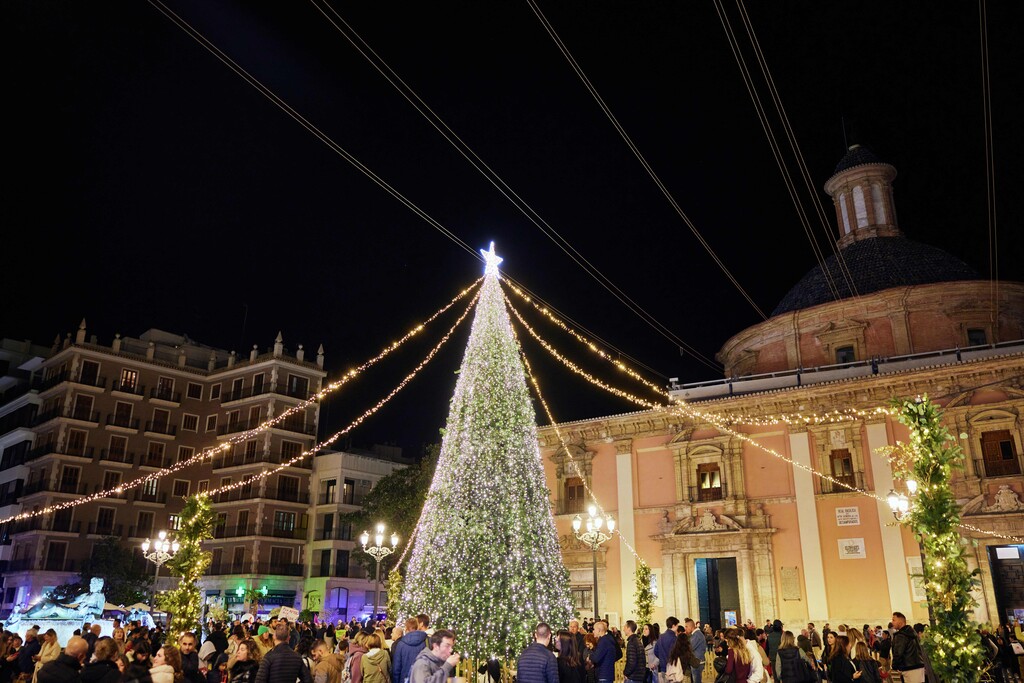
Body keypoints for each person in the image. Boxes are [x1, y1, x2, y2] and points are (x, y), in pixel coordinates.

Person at [24, 578, 106, 622]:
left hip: (77, 615)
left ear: (99, 586)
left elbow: (99, 611)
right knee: (45, 600)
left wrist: (89, 609)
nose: (90, 585)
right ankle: (27, 614)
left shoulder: (100, 596)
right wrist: (54, 600)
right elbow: (69, 601)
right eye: (91, 583)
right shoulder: (86, 595)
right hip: (72, 611)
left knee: (55, 608)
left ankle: (31, 617)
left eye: (93, 584)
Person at [889, 613, 924, 683]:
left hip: (909, 668)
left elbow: (898, 653)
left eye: (894, 620)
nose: (892, 622)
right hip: (918, 666)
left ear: (900, 621)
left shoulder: (901, 636)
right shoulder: (912, 633)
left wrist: (895, 666)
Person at [391, 618, 427, 683]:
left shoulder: (401, 644)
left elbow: (396, 668)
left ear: (406, 628)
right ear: (417, 627)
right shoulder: (425, 642)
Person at [654, 619, 680, 683]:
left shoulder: (661, 636)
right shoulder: (674, 638)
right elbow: (675, 653)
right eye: (677, 626)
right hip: (672, 669)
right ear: (673, 626)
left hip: (662, 667)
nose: (677, 628)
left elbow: (656, 651)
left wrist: (661, 657)